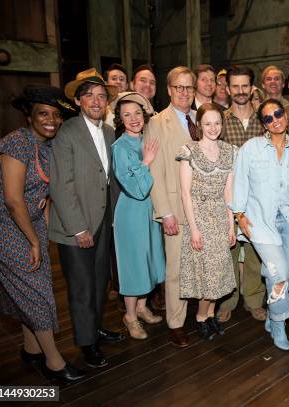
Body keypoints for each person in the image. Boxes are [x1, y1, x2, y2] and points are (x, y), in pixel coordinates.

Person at [0, 84, 84, 383]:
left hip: (31, 223)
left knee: (29, 290)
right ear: (29, 116)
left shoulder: (49, 145)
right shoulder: (16, 144)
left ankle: (31, 350)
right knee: (37, 295)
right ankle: (54, 362)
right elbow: (13, 200)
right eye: (43, 113)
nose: (51, 120)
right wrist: (34, 240)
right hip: (5, 226)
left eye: (56, 115)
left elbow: (44, 190)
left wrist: (44, 223)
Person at [49, 68, 124, 368]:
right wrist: (78, 227)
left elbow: (109, 179)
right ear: (79, 101)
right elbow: (61, 185)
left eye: (101, 96)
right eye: (89, 95)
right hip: (76, 225)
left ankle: (94, 327)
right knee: (81, 286)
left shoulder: (108, 132)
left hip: (103, 219)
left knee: (100, 280)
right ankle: (87, 343)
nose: (96, 100)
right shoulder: (67, 132)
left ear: (107, 102)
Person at [232, 99, 289, 350]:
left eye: (278, 113)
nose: (275, 120)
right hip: (260, 222)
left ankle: (273, 304)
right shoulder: (250, 149)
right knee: (280, 273)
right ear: (264, 124)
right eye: (268, 118)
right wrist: (239, 215)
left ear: (285, 115)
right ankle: (279, 322)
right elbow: (239, 181)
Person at [146, 66, 198, 347]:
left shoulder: (200, 118)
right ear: (168, 90)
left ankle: (201, 315)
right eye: (179, 87)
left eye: (189, 87)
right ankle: (176, 323)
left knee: (199, 263)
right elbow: (154, 172)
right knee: (176, 268)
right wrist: (165, 212)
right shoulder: (157, 123)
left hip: (203, 206)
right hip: (175, 209)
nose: (184, 93)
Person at [177, 103, 236, 341]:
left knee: (219, 271)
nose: (213, 128)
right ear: (199, 124)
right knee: (205, 273)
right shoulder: (188, 151)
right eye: (208, 123)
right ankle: (201, 316)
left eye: (217, 123)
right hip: (199, 217)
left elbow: (229, 192)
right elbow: (185, 193)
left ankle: (210, 313)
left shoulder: (230, 150)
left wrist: (232, 225)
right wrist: (193, 229)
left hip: (221, 216)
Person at [111, 92, 165, 340]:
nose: (133, 119)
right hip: (131, 212)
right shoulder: (120, 147)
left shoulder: (148, 138)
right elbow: (137, 188)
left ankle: (143, 307)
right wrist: (145, 162)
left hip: (149, 211)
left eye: (136, 113)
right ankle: (130, 316)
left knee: (148, 260)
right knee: (133, 265)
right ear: (120, 119)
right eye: (126, 115)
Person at [217, 66, 266, 323]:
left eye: (244, 86)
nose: (240, 91)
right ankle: (227, 300)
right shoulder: (220, 120)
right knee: (229, 249)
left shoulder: (263, 120)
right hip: (228, 196)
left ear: (252, 88)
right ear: (227, 89)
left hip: (258, 198)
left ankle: (254, 299)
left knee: (256, 251)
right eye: (234, 86)